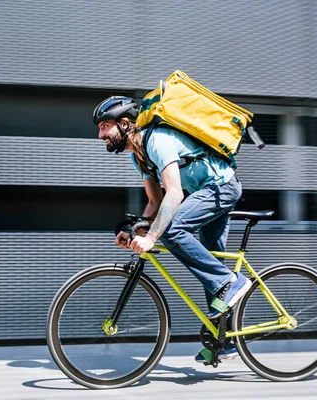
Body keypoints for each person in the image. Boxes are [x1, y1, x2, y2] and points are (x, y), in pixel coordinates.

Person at [92, 96, 252, 362]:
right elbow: (155, 201)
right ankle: (227, 340)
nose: (100, 135)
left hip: (221, 188)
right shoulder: (139, 157)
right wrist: (137, 232)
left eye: (105, 126)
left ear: (124, 124)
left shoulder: (158, 141)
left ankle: (231, 282)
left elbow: (174, 194)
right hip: (204, 194)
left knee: (171, 230)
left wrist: (153, 235)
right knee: (210, 256)